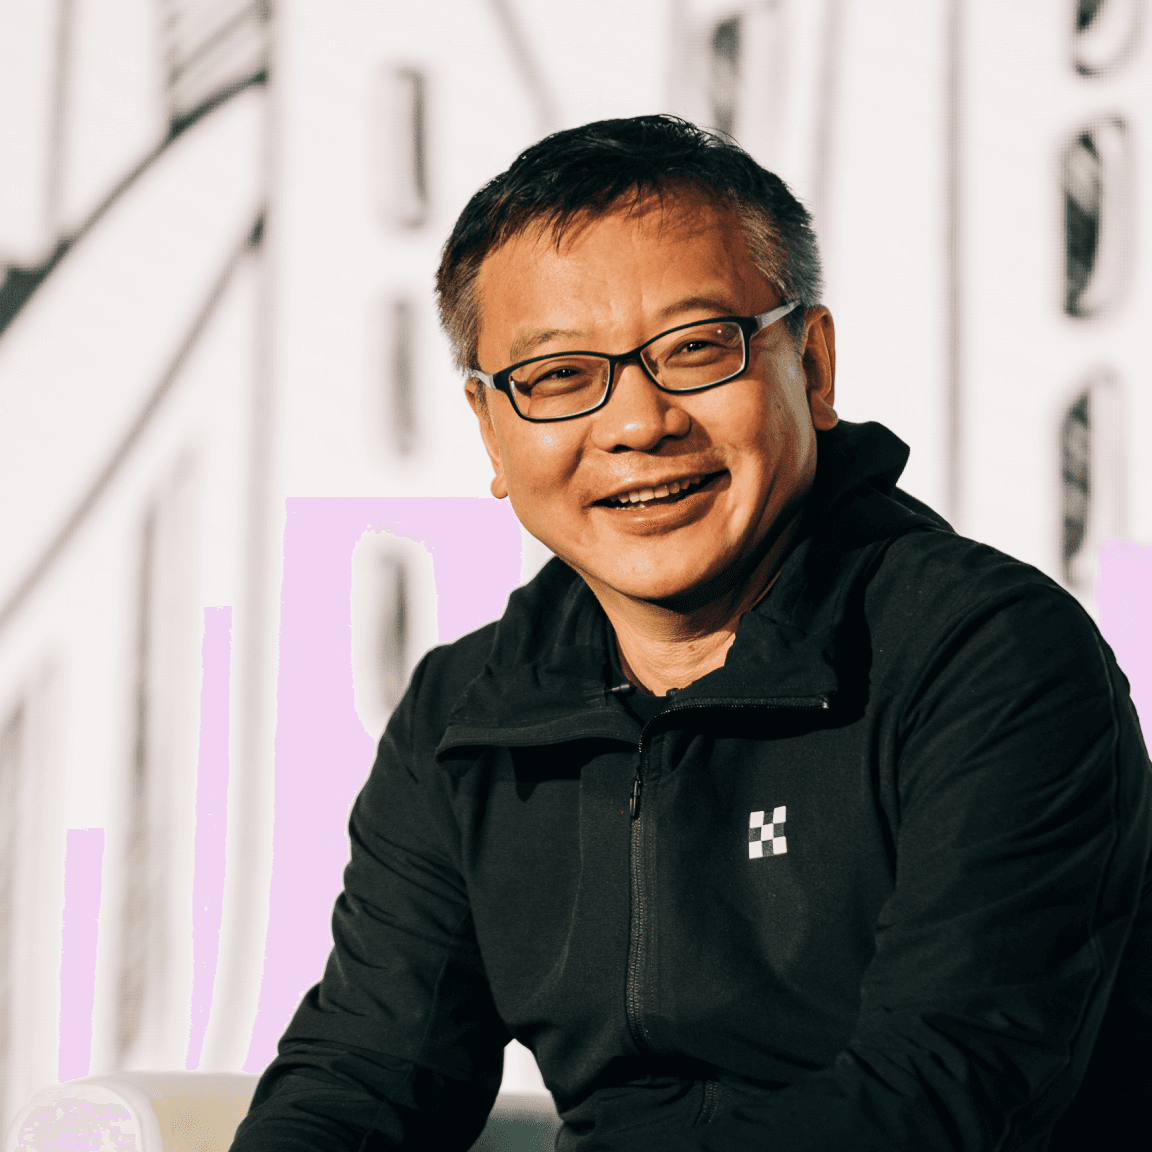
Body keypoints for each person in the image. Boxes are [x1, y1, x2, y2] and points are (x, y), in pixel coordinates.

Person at [230, 116, 1151, 1151]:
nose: (638, 423)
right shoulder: (468, 714)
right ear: (491, 430)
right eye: (558, 376)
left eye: (696, 348)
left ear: (813, 367)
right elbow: (363, 1077)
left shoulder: (988, 657)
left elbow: (939, 1091)